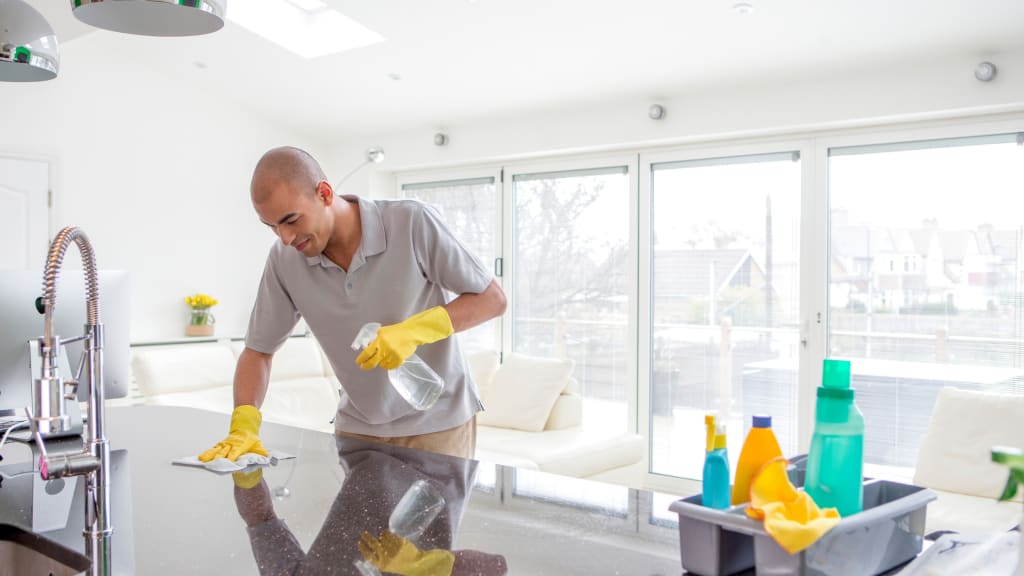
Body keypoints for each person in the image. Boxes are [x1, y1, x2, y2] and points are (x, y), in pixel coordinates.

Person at [200, 146, 506, 461]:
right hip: (358, 429)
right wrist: (244, 425)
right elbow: (258, 351)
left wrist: (413, 331)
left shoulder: (411, 222)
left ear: (325, 193)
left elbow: (492, 299)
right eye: (272, 227)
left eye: (290, 220)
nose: (285, 238)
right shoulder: (284, 260)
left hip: (438, 423)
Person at [233, 435, 508, 576]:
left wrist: (247, 476)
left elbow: (260, 519)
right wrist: (419, 564)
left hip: (363, 439)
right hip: (441, 453)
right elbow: (495, 567)